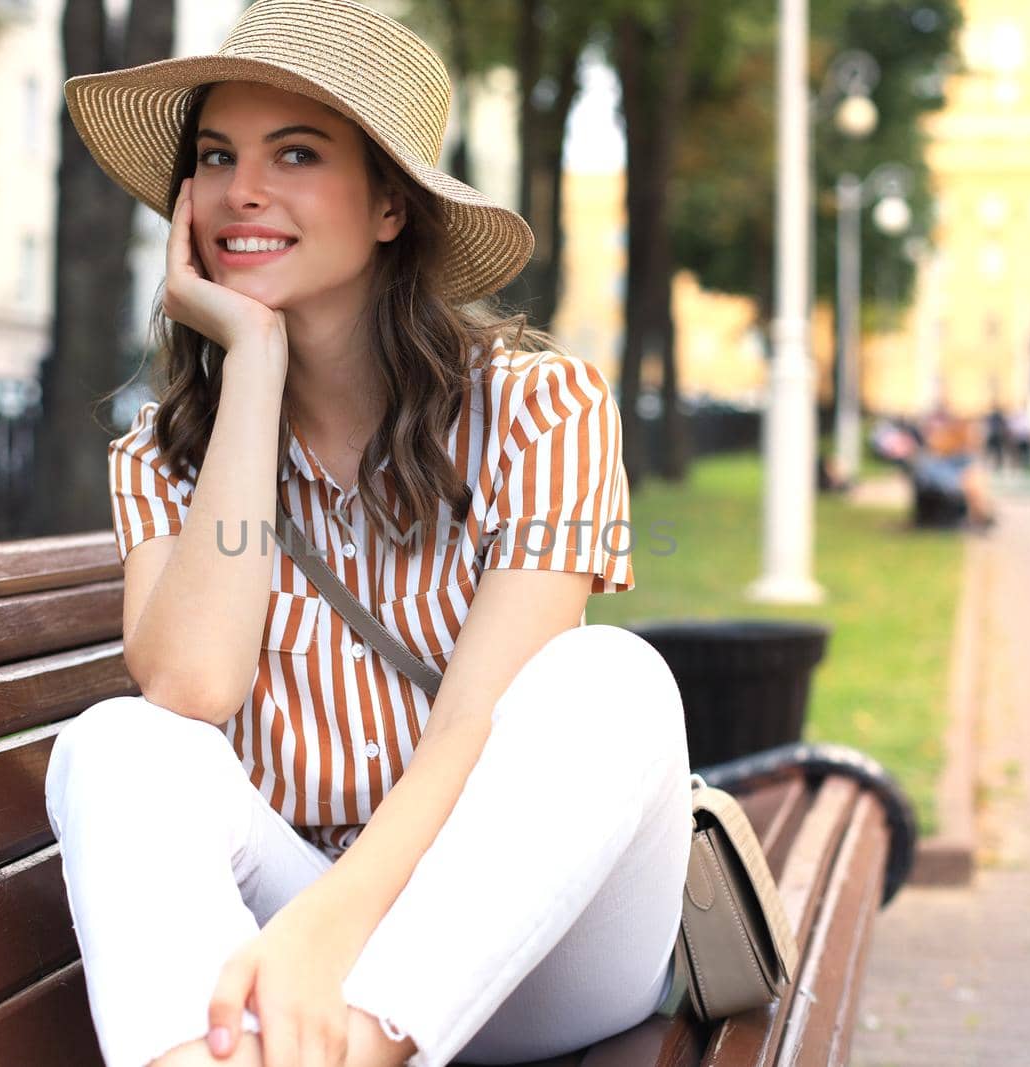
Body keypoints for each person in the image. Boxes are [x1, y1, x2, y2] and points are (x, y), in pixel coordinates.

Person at [45, 3, 691, 1067]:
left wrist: (326, 931)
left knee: (612, 677)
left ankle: (339, 1047)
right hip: (299, 938)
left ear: (391, 204)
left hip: (529, 940)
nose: (241, 190)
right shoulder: (159, 463)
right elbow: (192, 690)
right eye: (216, 158)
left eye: (294, 153)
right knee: (117, 744)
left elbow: (470, 728)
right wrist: (251, 361)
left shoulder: (539, 412)